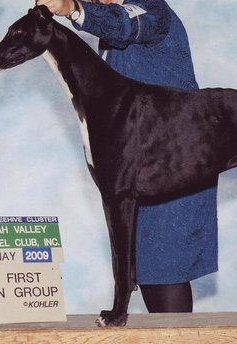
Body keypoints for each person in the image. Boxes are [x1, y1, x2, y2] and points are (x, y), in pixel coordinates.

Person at [36, 0, 218, 313]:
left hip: (176, 161)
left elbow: (123, 24)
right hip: (139, 168)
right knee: (147, 269)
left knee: (167, 268)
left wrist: (72, 8)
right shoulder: (107, 36)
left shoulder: (152, 9)